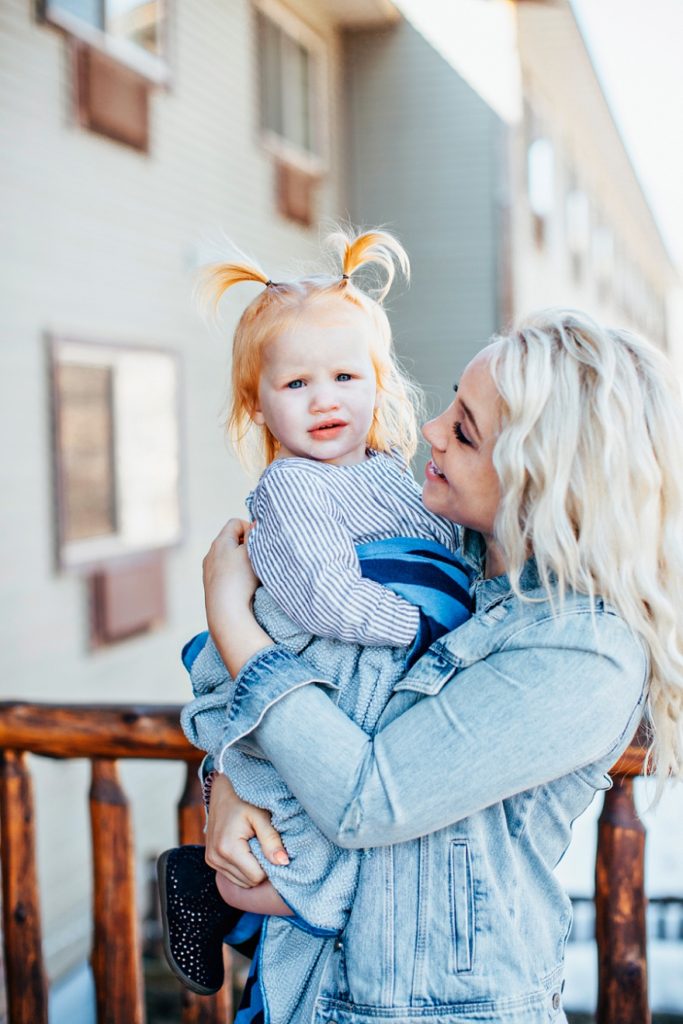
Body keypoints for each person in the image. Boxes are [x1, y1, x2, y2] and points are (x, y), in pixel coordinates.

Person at [199, 310, 683, 1024]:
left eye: (463, 430)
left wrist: (229, 616)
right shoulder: (433, 551)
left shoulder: (583, 653)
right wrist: (228, 780)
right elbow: (302, 686)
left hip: (442, 1006)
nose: (428, 429)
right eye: (453, 402)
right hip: (315, 983)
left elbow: (366, 797)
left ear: (538, 478)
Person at [157, 229, 473, 1004]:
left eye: (343, 375)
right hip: (309, 680)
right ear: (256, 403)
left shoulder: (393, 474)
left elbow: (444, 553)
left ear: (378, 381)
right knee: (307, 878)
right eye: (295, 384)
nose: (324, 399)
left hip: (356, 698)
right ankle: (203, 887)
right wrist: (422, 626)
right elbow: (321, 599)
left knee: (339, 868)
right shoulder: (293, 489)